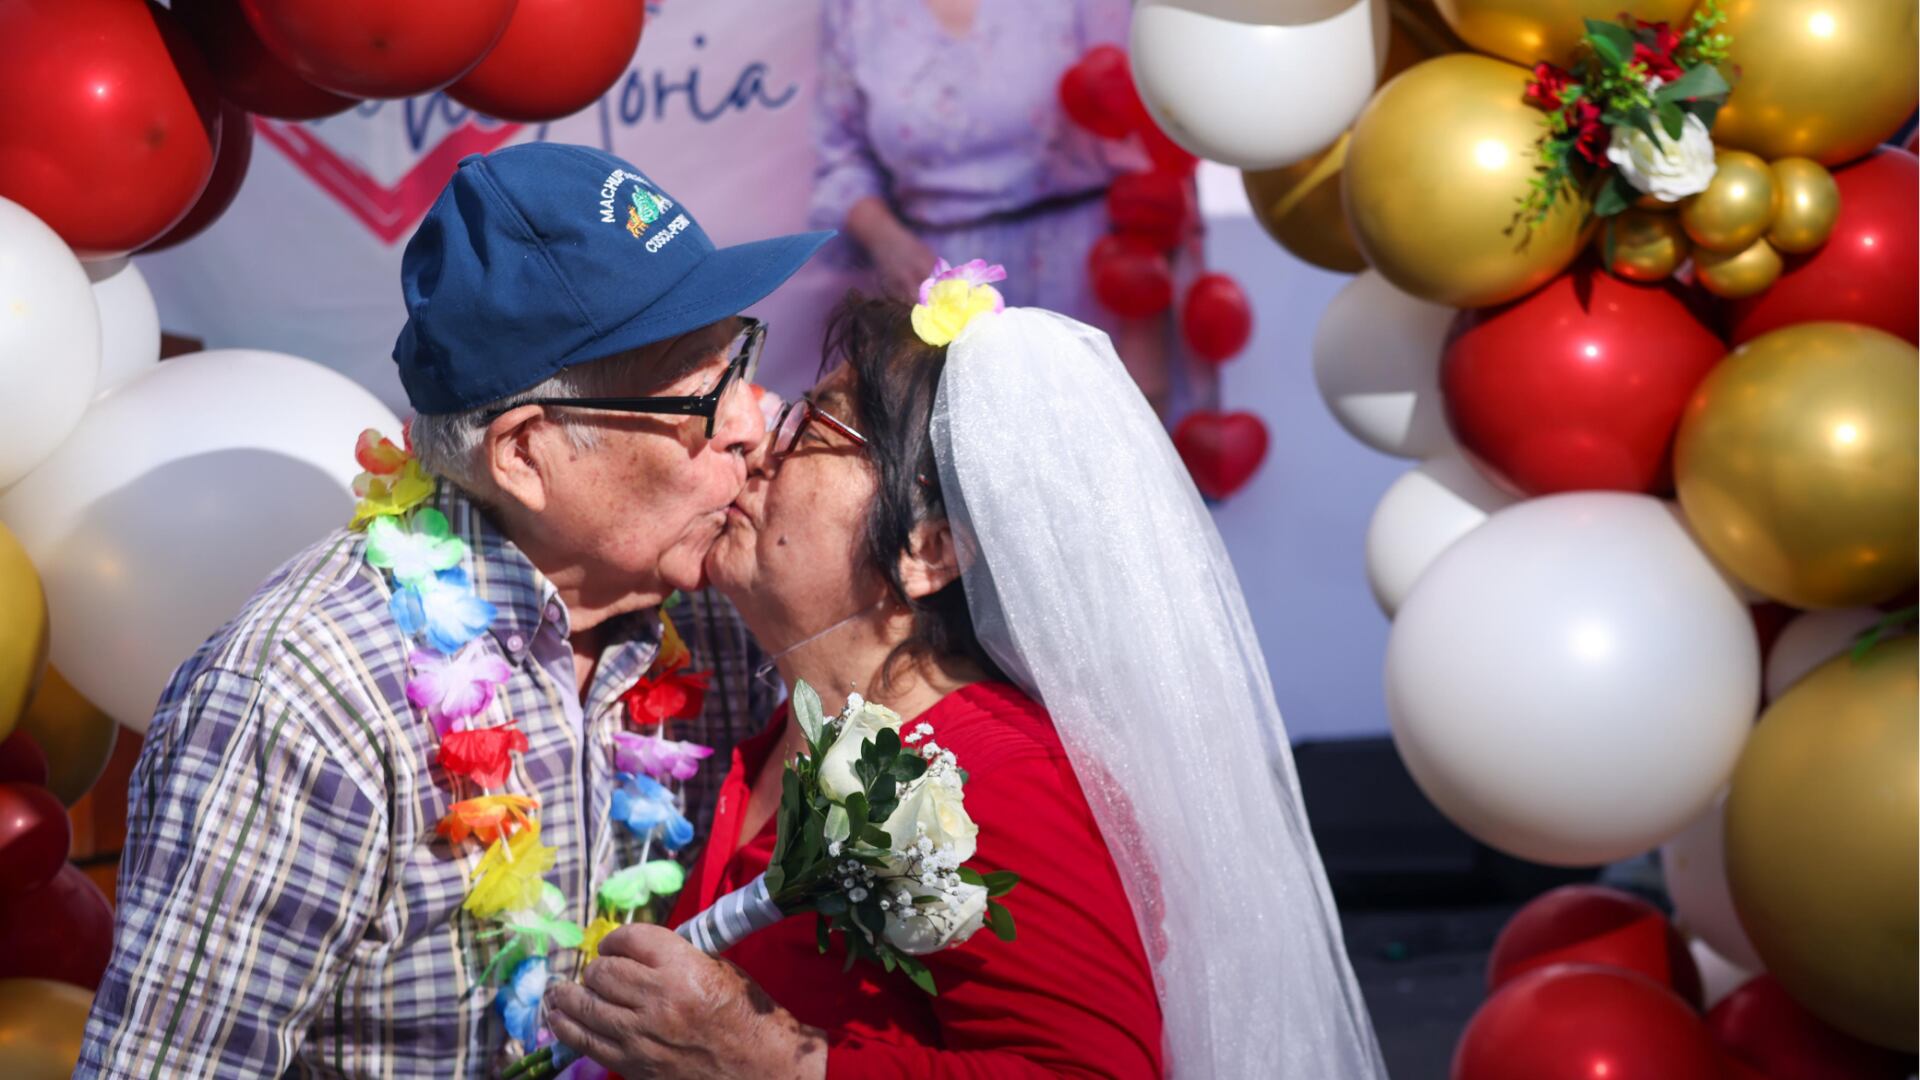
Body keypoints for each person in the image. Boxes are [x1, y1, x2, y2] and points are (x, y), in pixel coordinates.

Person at [76, 143, 830, 1078]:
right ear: (525, 454)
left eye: (740, 351)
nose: (752, 418)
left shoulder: (723, 610)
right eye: (698, 383)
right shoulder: (307, 699)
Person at [544, 271, 1388, 1077]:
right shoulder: (772, 732)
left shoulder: (999, 781)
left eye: (816, 426)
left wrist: (766, 1064)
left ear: (930, 549)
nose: (762, 441)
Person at [811, 0, 1209, 417]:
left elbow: (1143, 148)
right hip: (943, 298)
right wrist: (885, 239)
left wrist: (1145, 338)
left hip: (1089, 283)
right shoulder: (852, 9)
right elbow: (841, 161)